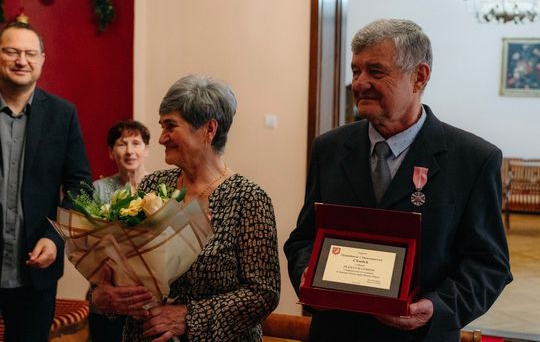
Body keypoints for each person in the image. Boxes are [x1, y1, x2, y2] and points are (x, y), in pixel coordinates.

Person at [284, 19, 512, 341]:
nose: (359, 83)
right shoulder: (329, 148)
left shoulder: (473, 159)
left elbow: (489, 264)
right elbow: (303, 239)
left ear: (419, 77)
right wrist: (307, 273)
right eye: (355, 71)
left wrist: (435, 308)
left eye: (375, 72)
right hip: (336, 332)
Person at [90, 75, 280, 341]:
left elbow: (263, 293)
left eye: (170, 126)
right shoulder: (153, 186)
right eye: (162, 126)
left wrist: (189, 318)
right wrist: (103, 295)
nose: (161, 138)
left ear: (209, 130)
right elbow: (118, 265)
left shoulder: (248, 199)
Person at [0, 21, 92, 341]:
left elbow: (81, 187)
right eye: (11, 51)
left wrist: (56, 237)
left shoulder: (62, 115)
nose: (21, 60)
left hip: (35, 272)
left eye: (29, 53)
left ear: (42, 60)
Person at [89, 119, 151, 342]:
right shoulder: (97, 190)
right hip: (107, 292)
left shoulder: (161, 187)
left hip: (150, 296)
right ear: (110, 152)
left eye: (136, 143)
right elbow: (89, 245)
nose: (129, 151)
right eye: (122, 144)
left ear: (147, 150)